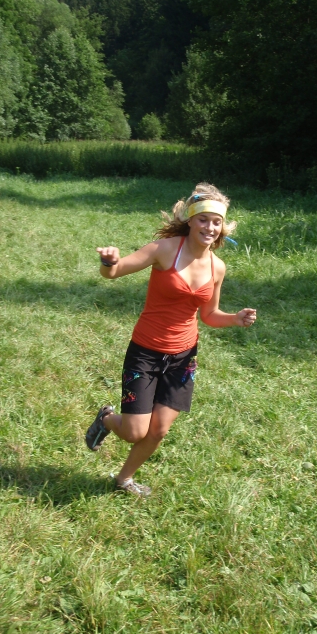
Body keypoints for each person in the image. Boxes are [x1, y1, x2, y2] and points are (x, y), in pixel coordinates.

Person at [85, 183, 256, 497]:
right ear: (190, 220)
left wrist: (235, 318)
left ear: (222, 227)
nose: (210, 227)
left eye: (216, 222)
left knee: (159, 430)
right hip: (145, 353)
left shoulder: (217, 267)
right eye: (203, 219)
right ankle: (107, 419)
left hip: (182, 358)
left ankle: (124, 479)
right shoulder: (164, 250)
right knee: (134, 431)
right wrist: (109, 262)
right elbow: (114, 273)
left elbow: (209, 314)